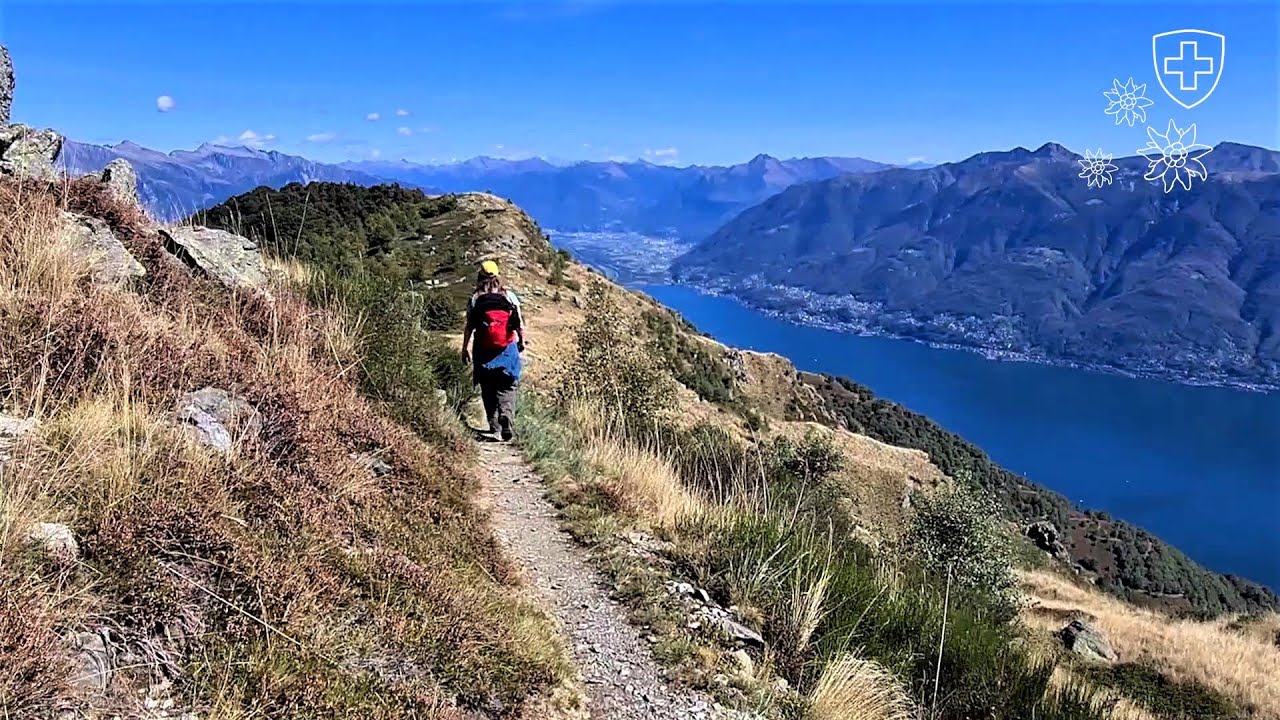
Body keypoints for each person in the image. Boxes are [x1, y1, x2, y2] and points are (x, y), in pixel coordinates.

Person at [461, 260, 526, 441]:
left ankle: (495, 425)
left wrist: (464, 349)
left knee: (488, 388)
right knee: (507, 385)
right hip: (507, 347)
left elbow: (469, 327)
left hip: (483, 349)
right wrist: (522, 342)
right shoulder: (509, 297)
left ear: (479, 277)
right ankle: (506, 416)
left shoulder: (475, 299)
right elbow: (519, 323)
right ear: (498, 276)